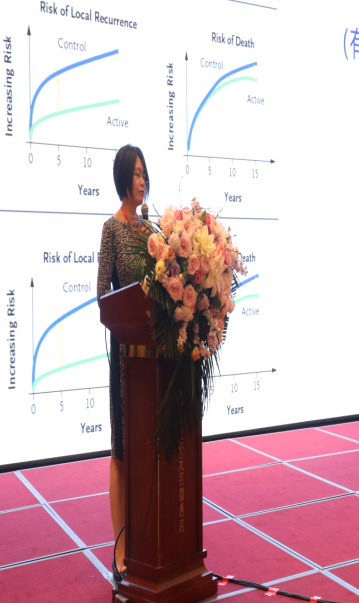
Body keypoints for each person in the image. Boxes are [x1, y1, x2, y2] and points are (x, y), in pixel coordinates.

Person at [97, 144, 150, 582]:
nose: (141, 180)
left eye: (144, 172)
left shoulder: (150, 230)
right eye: (135, 173)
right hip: (124, 355)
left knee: (146, 448)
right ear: (122, 178)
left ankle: (148, 540)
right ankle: (120, 545)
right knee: (122, 450)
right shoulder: (112, 229)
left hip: (152, 356)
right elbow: (102, 295)